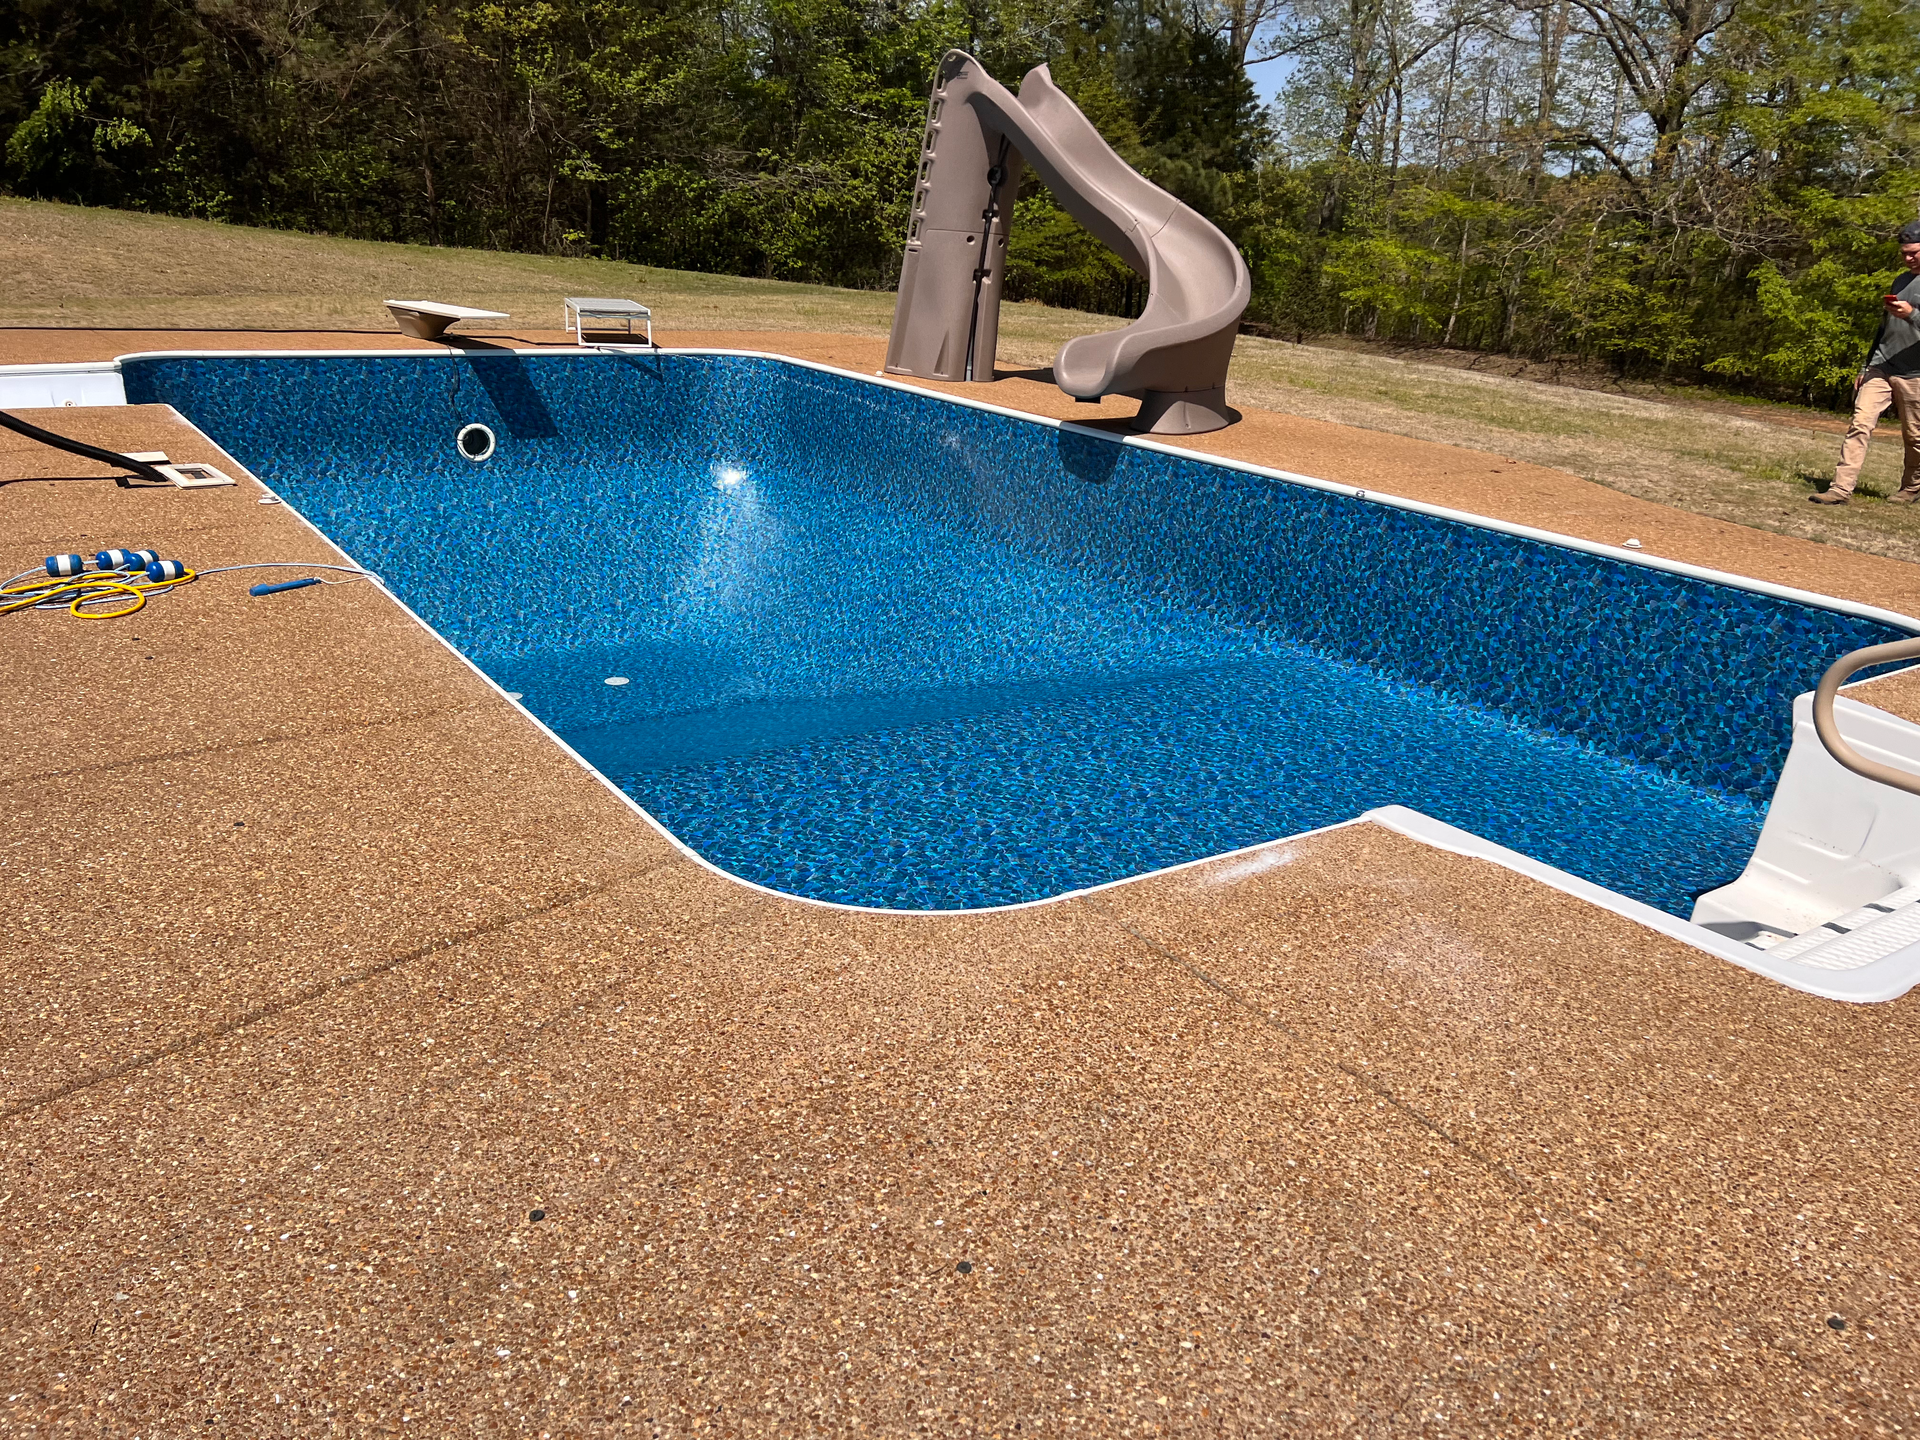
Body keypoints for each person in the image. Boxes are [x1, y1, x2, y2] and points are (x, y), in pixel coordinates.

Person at [1814, 219, 1920, 504]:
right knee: (1860, 423)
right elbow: (1883, 328)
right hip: (1882, 365)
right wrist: (1866, 366)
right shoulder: (1900, 280)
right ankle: (1840, 489)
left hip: (1915, 373)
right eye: (1904, 253)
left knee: (1914, 438)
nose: (1908, 258)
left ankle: (1912, 488)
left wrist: (1911, 313)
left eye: (1914, 252)